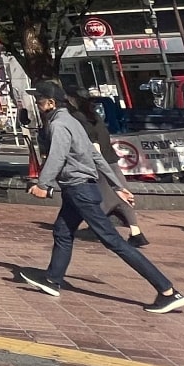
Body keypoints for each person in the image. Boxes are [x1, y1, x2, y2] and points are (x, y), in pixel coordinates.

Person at [18, 82, 184, 313]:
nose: (37, 103)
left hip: (79, 191)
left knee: (113, 240)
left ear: (51, 103)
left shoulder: (58, 125)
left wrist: (43, 184)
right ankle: (52, 279)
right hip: (80, 189)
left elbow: (56, 157)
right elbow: (98, 159)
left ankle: (166, 290)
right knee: (63, 232)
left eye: (39, 99)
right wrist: (117, 186)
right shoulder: (74, 123)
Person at [69, 89, 148, 249]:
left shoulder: (79, 118)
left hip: (101, 162)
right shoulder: (94, 115)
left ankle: (99, 229)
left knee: (106, 198)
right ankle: (136, 232)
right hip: (111, 158)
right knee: (122, 194)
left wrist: (95, 163)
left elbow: (94, 144)